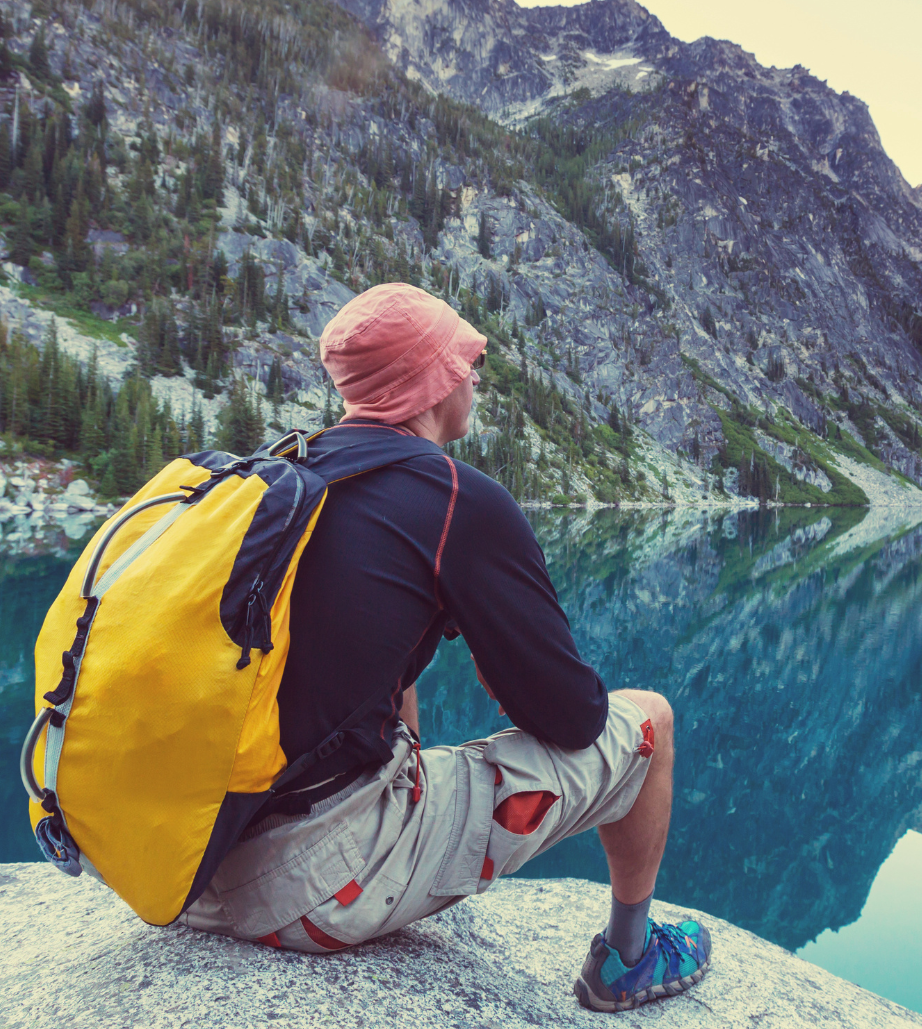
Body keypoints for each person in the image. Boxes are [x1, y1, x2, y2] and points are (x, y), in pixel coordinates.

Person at [182, 283, 712, 1011]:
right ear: (435, 380)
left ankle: (390, 830)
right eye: (467, 362)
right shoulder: (457, 500)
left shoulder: (291, 476)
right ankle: (630, 958)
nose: (475, 377)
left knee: (397, 676)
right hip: (305, 890)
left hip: (191, 864)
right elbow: (574, 719)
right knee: (648, 719)